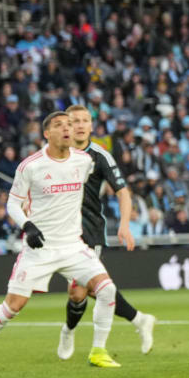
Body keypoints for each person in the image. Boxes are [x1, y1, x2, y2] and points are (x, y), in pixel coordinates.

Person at [0, 112, 122, 367]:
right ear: (46, 133)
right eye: (59, 125)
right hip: (40, 247)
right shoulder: (31, 166)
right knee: (13, 306)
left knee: (106, 289)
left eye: (69, 124)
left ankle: (97, 350)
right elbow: (13, 203)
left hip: (73, 245)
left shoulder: (84, 161)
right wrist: (28, 225)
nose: (67, 128)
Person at [57, 105, 157, 361]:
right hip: (59, 231)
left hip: (88, 233)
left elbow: (123, 192)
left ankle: (69, 332)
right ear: (66, 126)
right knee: (88, 290)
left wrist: (124, 224)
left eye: (84, 121)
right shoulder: (55, 153)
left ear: (91, 126)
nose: (79, 125)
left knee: (80, 291)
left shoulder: (100, 155)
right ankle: (139, 319)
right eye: (74, 121)